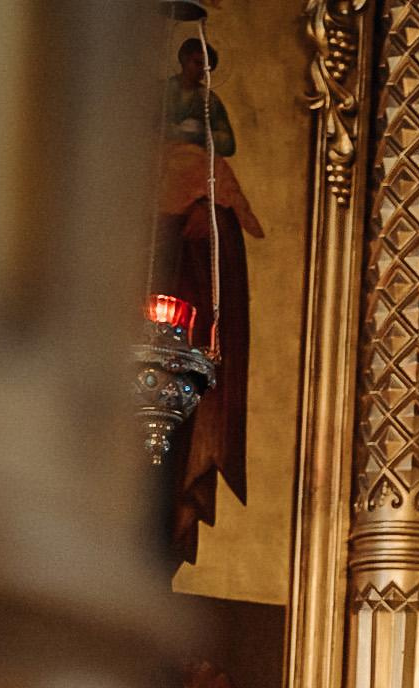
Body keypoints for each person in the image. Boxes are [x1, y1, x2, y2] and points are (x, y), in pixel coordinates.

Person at [155, 34, 264, 565]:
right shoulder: (165, 104)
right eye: (192, 59)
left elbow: (225, 141)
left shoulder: (213, 179)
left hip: (180, 367)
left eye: (204, 61)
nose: (197, 67)